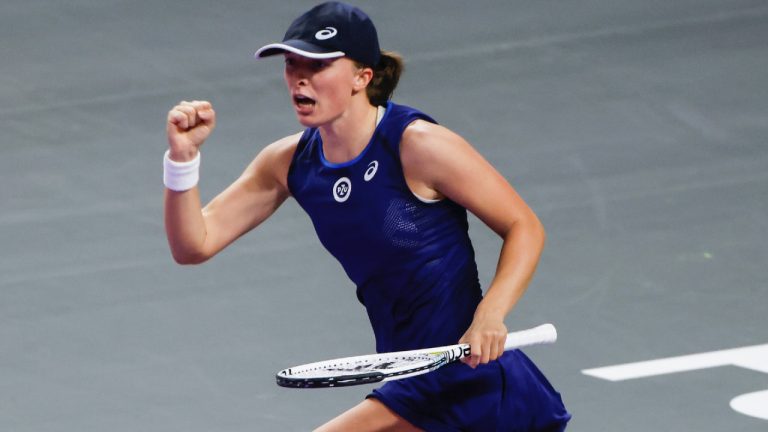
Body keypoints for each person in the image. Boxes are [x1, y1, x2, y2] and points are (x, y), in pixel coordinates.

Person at [163, 2, 570, 430]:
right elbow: (194, 244)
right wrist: (182, 161)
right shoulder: (288, 164)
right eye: (292, 63)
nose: (300, 77)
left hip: (472, 381)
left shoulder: (418, 146)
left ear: (363, 76)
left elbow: (524, 226)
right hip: (408, 376)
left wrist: (491, 314)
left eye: (318, 65)